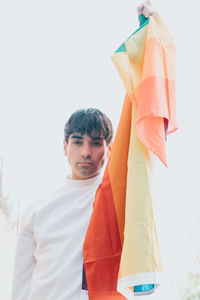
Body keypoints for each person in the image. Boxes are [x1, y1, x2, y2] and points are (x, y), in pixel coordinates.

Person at [11, 3, 155, 300]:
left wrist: (146, 38)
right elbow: (20, 282)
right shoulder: (37, 207)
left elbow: (142, 116)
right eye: (78, 141)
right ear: (64, 146)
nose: (86, 152)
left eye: (96, 142)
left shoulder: (117, 198)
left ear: (109, 148)